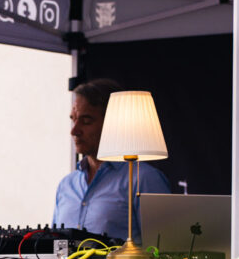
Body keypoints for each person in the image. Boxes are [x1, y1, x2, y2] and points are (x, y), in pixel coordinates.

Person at [53, 78, 171, 241]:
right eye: (73, 119)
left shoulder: (143, 179)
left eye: (86, 121)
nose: (74, 130)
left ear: (112, 123)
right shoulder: (66, 185)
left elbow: (164, 249)